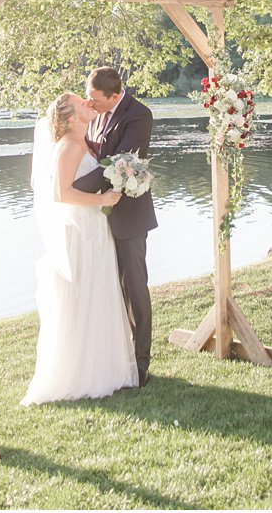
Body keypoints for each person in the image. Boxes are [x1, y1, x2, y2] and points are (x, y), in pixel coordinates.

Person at [21, 93, 138, 405]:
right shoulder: (70, 146)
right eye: (81, 102)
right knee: (85, 293)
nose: (88, 102)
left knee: (98, 292)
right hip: (81, 231)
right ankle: (82, 373)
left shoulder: (84, 141)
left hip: (93, 228)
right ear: (71, 119)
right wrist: (102, 200)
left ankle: (104, 366)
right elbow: (61, 194)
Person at [73, 66, 157, 385]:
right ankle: (115, 356)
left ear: (114, 95)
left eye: (94, 98)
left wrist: (73, 188)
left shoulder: (139, 115)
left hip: (129, 215)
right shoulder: (96, 114)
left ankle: (141, 361)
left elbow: (121, 163)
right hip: (97, 215)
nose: (89, 103)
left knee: (134, 286)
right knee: (108, 287)